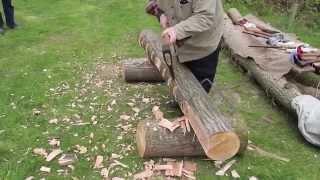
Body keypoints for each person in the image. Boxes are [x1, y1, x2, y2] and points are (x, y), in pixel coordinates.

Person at [145, 0, 224, 93]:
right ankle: (181, 96)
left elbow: (204, 17)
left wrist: (176, 31)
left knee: (199, 90)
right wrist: (160, 14)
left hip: (202, 45)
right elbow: (153, 2)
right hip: (178, 42)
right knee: (181, 77)